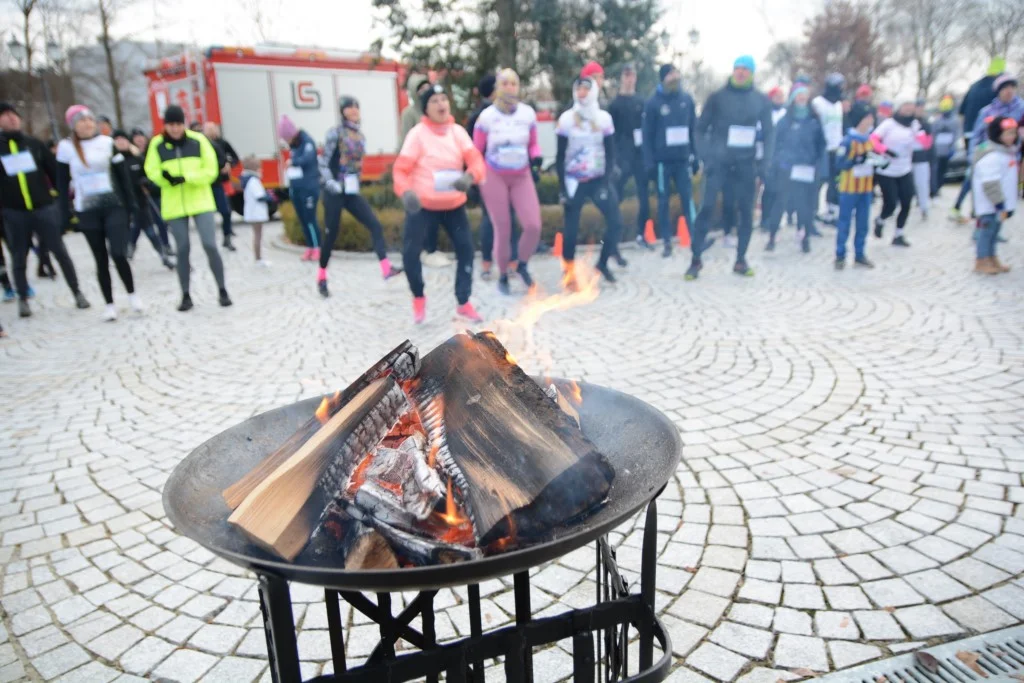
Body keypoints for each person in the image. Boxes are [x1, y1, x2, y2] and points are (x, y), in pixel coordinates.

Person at [393, 83, 486, 323]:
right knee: (410, 254)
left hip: (454, 205)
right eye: (434, 101)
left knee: (466, 250)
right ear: (426, 108)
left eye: (444, 98)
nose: (441, 104)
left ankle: (463, 302)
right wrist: (406, 193)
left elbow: (476, 162)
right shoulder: (417, 134)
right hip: (422, 206)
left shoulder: (457, 132)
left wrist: (469, 177)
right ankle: (418, 297)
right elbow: (401, 171)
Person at [0, 101, 89, 318]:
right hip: (14, 212)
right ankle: (23, 298)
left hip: (43, 209)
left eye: (14, 114)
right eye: (5, 115)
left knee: (60, 251)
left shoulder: (34, 144)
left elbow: (56, 172)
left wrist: (59, 203)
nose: (11, 118)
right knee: (19, 256)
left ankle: (77, 291)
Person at [688, 55, 773, 280]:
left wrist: (764, 165)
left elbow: (769, 134)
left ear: (752, 73)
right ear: (733, 71)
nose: (741, 72)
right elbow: (699, 129)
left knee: (746, 213)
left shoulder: (760, 100)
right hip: (719, 164)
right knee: (706, 209)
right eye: (738, 68)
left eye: (746, 69)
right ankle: (695, 259)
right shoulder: (718, 97)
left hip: (745, 165)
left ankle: (741, 259)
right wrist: (706, 155)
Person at [57, 106, 141, 321]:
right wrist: (64, 213)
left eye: (89, 119)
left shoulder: (107, 143)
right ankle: (109, 304)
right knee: (100, 258)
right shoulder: (66, 148)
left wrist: (131, 204)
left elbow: (122, 176)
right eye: (81, 121)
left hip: (114, 206)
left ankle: (132, 296)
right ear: (73, 126)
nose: (86, 124)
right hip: (87, 210)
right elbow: (61, 181)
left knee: (119, 253)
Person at [144, 105, 232, 311]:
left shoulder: (198, 140)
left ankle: (222, 289)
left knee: (210, 244)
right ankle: (185, 294)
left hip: (200, 200)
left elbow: (211, 169)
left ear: (183, 124)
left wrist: (187, 178)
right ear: (165, 125)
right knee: (182, 249)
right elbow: (151, 169)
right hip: (174, 204)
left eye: (178, 124)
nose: (175, 129)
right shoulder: (157, 144)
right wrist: (165, 178)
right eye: (171, 125)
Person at [317, 96, 403, 298]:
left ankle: (386, 268)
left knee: (374, 224)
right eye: (349, 107)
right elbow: (323, 161)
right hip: (333, 192)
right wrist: (330, 182)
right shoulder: (335, 133)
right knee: (330, 235)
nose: (354, 110)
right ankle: (321, 277)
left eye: (357, 106)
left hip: (351, 191)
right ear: (342, 111)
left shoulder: (359, 134)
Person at [473, 69, 543, 295]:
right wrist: (474, 176)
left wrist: (536, 157)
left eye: (514, 83)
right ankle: (503, 273)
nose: (510, 87)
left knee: (533, 225)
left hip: (521, 174)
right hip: (494, 175)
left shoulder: (527, 114)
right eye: (505, 83)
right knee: (502, 227)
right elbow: (476, 150)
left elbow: (533, 143)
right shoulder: (487, 117)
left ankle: (521, 264)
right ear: (498, 87)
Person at [555, 77, 624, 286]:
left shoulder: (604, 119)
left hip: (597, 179)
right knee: (571, 228)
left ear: (593, 91)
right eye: (578, 88)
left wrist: (605, 181)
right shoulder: (566, 119)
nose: (582, 93)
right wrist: (562, 189)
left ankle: (602, 263)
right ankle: (568, 272)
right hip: (573, 180)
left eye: (586, 88)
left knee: (616, 221)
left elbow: (611, 153)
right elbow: (559, 156)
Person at [641, 63, 700, 258]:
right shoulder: (653, 103)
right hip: (662, 162)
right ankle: (666, 241)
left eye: (676, 73)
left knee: (687, 198)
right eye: (671, 75)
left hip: (683, 160)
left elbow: (694, 130)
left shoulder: (686, 99)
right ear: (663, 78)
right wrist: (649, 162)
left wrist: (696, 155)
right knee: (663, 202)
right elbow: (647, 135)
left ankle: (695, 237)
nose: (675, 77)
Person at [763, 86, 826, 253]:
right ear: (793, 98)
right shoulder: (785, 120)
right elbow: (777, 143)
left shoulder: (814, 119)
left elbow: (821, 144)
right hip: (787, 167)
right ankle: (772, 237)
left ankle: (805, 238)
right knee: (780, 202)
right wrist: (778, 162)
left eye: (805, 95)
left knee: (805, 205)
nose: (802, 98)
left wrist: (817, 163)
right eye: (799, 96)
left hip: (807, 168)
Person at [951, 57, 1006, 222]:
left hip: (969, 133)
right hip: (985, 136)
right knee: (979, 172)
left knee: (974, 170)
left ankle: (969, 208)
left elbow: (961, 111)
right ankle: (968, 208)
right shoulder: (997, 88)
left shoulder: (974, 85)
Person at [466, 74, 508, 280]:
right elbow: (472, 151)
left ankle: (490, 263)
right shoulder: (482, 116)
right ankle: (490, 263)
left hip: (500, 174)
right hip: (489, 175)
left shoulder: (479, 114)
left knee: (492, 219)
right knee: (492, 219)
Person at [871, 102, 930, 247]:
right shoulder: (889, 124)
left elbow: (926, 144)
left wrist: (925, 129)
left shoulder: (914, 124)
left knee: (906, 202)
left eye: (911, 108)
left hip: (905, 169)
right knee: (890, 203)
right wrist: (885, 150)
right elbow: (873, 139)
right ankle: (881, 220)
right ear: (900, 108)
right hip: (887, 169)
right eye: (905, 107)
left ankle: (899, 234)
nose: (908, 110)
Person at [113, 130, 174, 270]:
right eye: (117, 140)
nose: (121, 142)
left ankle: (163, 256)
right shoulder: (113, 162)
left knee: (149, 230)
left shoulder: (137, 159)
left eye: (123, 139)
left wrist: (144, 181)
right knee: (128, 229)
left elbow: (149, 175)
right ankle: (127, 249)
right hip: (121, 204)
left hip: (140, 202)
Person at [608, 63, 646, 258]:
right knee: (617, 198)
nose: (629, 79)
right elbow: (610, 134)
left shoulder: (641, 101)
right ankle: (613, 241)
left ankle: (641, 234)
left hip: (639, 156)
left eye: (632, 75)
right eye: (626, 75)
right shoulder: (614, 105)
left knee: (644, 195)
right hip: (622, 157)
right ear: (622, 78)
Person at [971, 116, 1018, 274]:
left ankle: (992, 257)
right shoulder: (991, 155)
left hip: (1000, 203)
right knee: (987, 231)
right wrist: (999, 203)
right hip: (991, 204)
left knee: (995, 231)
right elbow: (990, 182)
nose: (1012, 137)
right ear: (998, 135)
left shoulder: (1007, 153)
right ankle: (982, 259)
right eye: (1008, 134)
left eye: (1013, 133)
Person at [834, 107, 879, 269]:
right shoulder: (848, 141)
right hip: (849, 188)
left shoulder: (869, 140)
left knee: (863, 223)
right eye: (868, 118)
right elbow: (839, 164)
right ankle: (840, 254)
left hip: (865, 188)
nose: (871, 121)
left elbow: (873, 159)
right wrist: (855, 161)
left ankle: (859, 253)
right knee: (844, 221)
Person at [277, 115, 322, 261]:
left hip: (308, 188)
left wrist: (293, 162)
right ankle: (309, 247)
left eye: (286, 137)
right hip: (296, 188)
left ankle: (317, 247)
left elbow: (307, 160)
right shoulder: (294, 146)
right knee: (302, 219)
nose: (286, 141)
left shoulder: (307, 142)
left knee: (310, 219)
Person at [130, 128, 173, 256]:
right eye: (136, 137)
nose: (139, 140)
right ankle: (131, 245)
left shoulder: (151, 150)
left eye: (141, 136)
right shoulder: (130, 155)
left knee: (160, 220)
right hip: (139, 194)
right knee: (139, 223)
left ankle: (166, 245)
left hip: (154, 191)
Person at [812, 73, 846, 224]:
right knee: (819, 181)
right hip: (822, 149)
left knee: (835, 181)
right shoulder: (818, 103)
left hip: (836, 148)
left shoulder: (838, 104)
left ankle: (832, 210)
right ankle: (811, 210)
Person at [203, 122, 240, 251]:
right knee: (207, 214)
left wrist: (229, 164)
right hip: (206, 184)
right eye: (208, 129)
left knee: (226, 210)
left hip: (221, 182)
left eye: (213, 129)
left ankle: (227, 236)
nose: (211, 131)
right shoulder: (201, 143)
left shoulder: (222, 143)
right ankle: (209, 240)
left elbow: (234, 157)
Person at [240, 156, 271, 266]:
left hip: (253, 212)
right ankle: (258, 259)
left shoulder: (248, 180)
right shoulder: (253, 181)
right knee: (258, 235)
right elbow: (260, 196)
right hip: (256, 213)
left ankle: (258, 258)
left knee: (257, 234)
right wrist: (270, 197)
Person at [931, 95, 960, 196]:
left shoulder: (955, 121)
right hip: (937, 150)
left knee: (942, 170)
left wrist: (953, 148)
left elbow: (956, 135)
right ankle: (934, 189)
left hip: (947, 150)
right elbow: (933, 134)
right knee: (935, 170)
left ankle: (938, 187)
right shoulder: (937, 121)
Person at [911, 99, 935, 219]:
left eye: (921, 107)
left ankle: (924, 207)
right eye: (918, 107)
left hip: (921, 158)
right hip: (908, 158)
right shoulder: (907, 122)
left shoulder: (926, 123)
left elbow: (929, 143)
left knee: (922, 184)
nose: (920, 110)